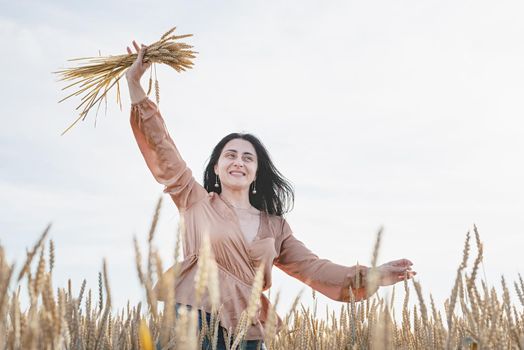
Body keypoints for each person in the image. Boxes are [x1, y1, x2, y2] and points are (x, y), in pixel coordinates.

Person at [125, 40, 416, 350]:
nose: (239, 161)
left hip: (248, 328)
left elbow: (314, 269)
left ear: (256, 172)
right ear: (217, 167)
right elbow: (162, 148)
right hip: (195, 319)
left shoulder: (275, 227)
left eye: (248, 157)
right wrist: (135, 84)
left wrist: (371, 275)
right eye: (230, 155)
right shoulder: (195, 201)